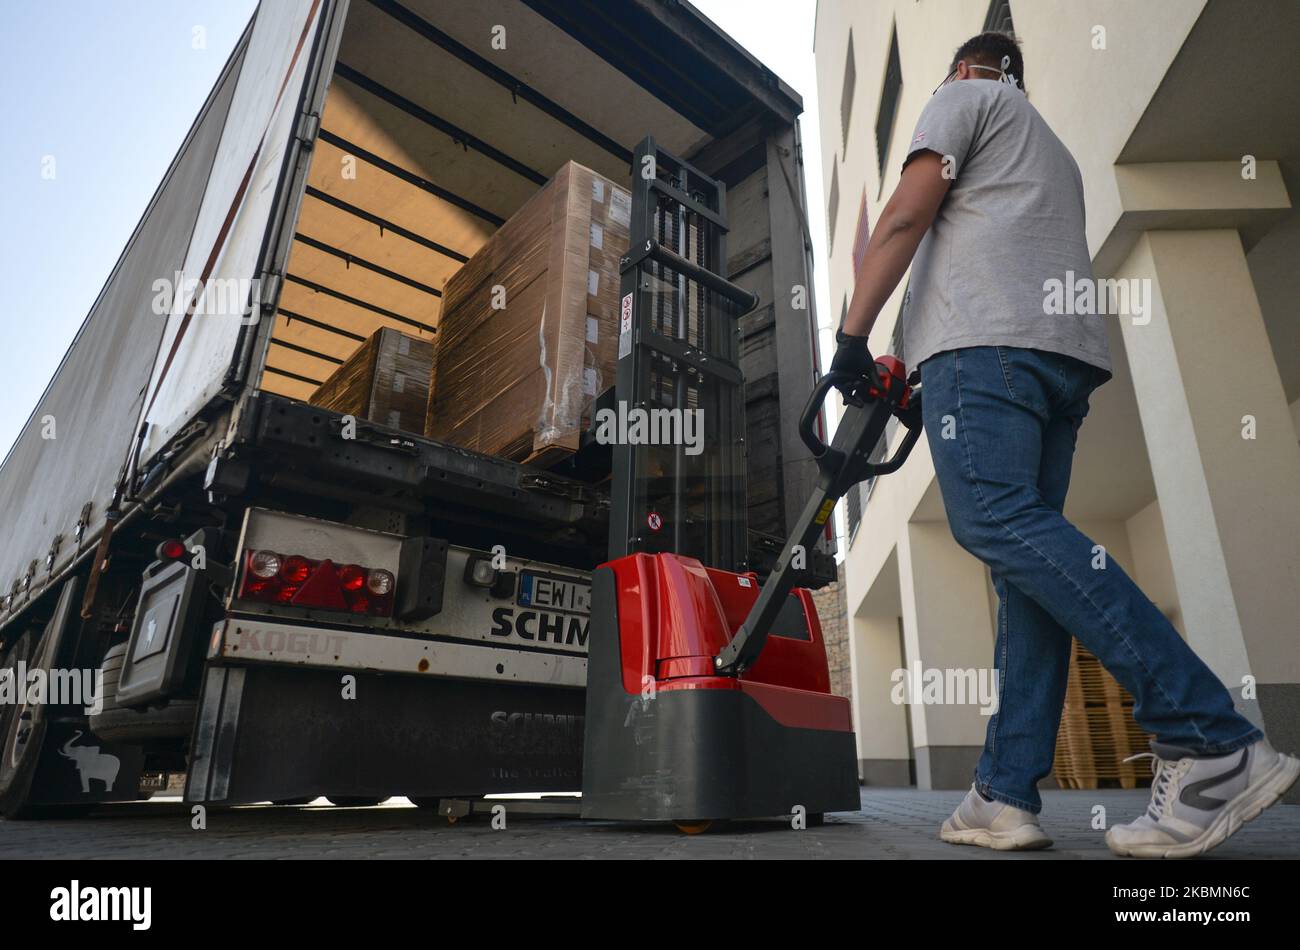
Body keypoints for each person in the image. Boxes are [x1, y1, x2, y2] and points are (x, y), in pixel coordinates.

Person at [830, 30, 1297, 858]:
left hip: (987, 350)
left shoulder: (963, 97)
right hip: (1061, 362)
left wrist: (850, 337)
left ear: (969, 69)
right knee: (1028, 576)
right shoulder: (1050, 148)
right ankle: (1001, 794)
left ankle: (1209, 740)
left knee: (991, 522)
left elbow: (904, 213)